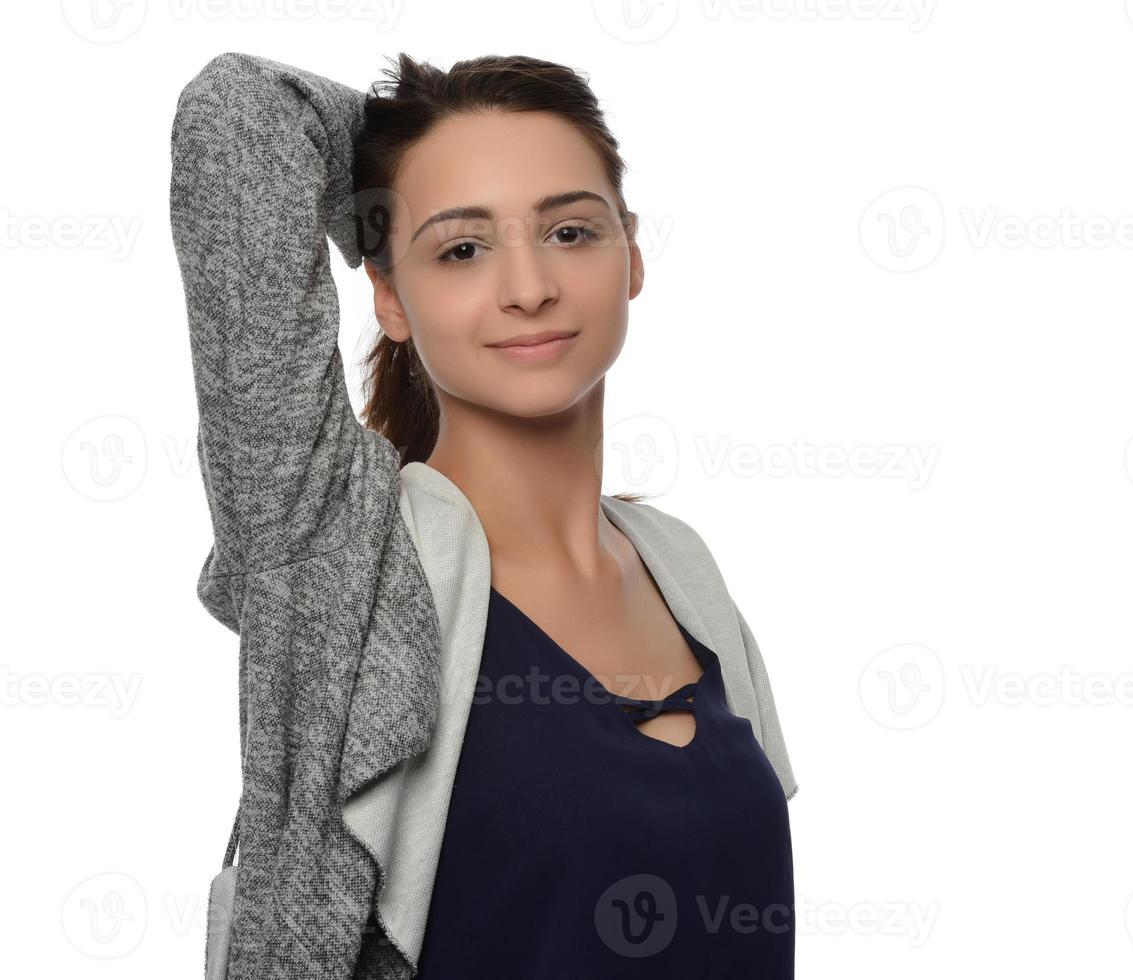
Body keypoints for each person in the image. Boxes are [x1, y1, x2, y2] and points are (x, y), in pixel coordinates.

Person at [172, 51, 798, 980]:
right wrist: (405, 139)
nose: (528, 287)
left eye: (570, 233)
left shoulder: (680, 569)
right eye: (461, 248)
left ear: (631, 253)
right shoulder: (337, 551)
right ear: (388, 294)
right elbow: (238, 111)